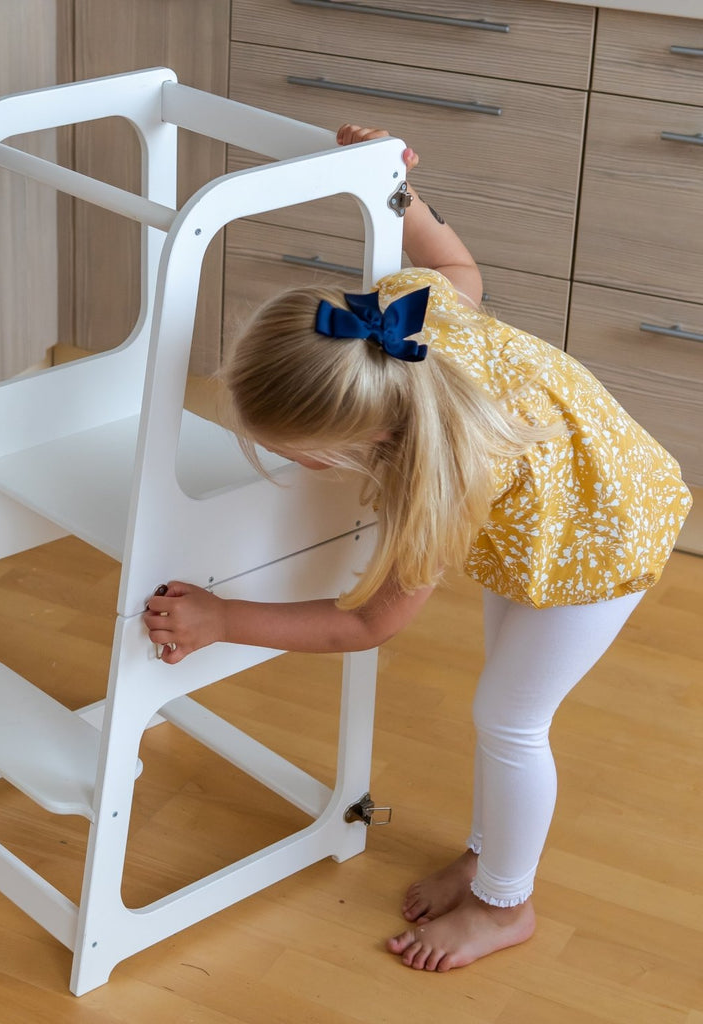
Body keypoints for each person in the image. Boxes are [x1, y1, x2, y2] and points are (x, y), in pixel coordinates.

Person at [143, 124, 693, 972]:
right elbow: (462, 266)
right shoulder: (400, 320)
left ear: (348, 446)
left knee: (510, 720)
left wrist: (223, 618)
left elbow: (365, 625)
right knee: (503, 705)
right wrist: (395, 183)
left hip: (604, 532)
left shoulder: (433, 478)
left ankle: (507, 905)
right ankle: (488, 855)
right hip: (558, 509)